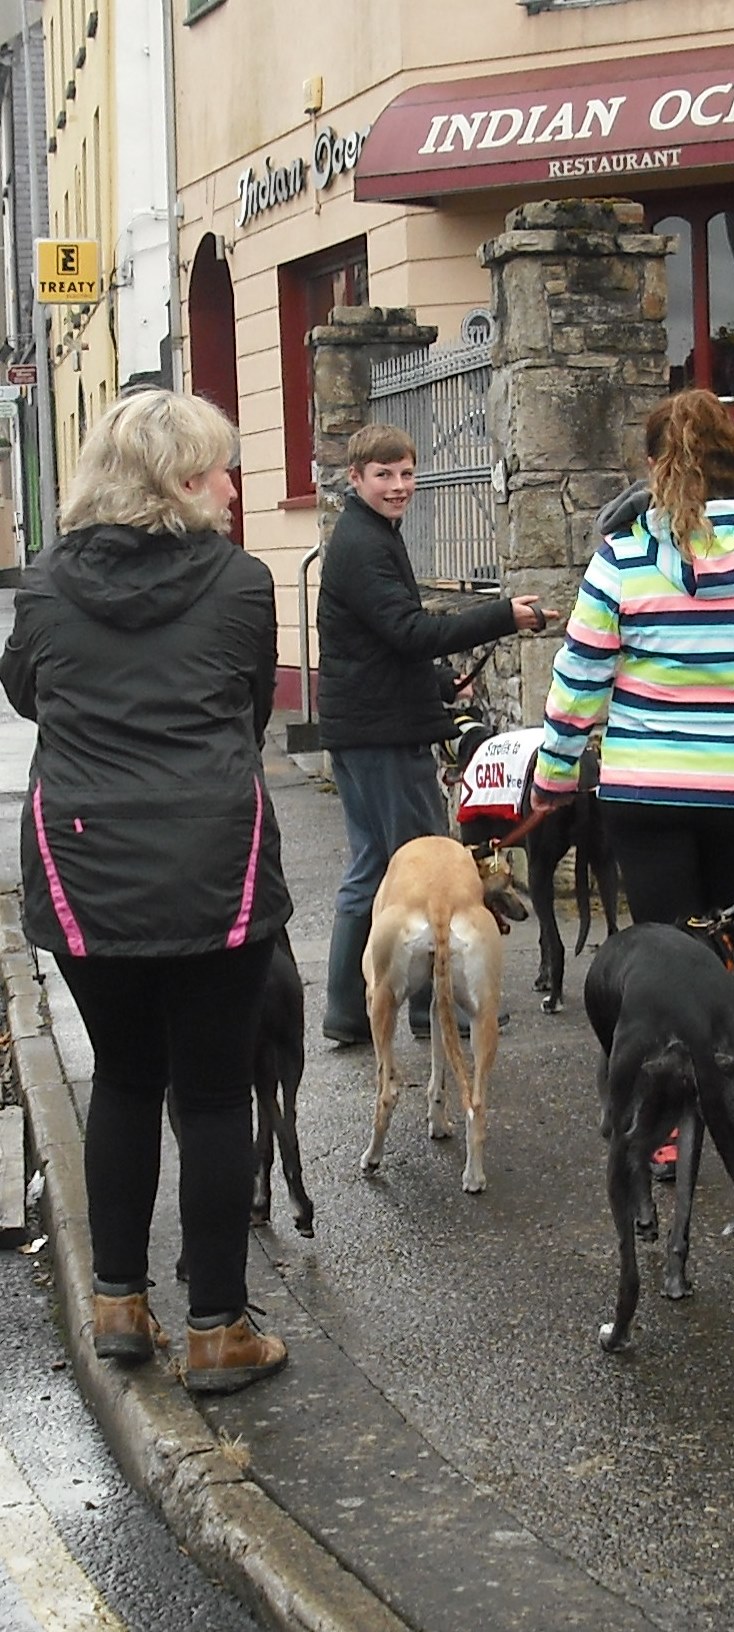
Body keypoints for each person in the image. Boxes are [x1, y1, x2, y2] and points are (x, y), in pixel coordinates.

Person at [0, 390, 295, 1393]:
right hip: (215, 858)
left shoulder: (42, 588)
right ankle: (218, 1327)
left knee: (124, 1080)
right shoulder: (243, 583)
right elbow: (251, 704)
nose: (231, 482)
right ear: (178, 481)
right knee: (213, 1095)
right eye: (218, 466)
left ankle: (118, 1305)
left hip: (85, 864)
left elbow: (26, 692)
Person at [531, 388, 734, 1167]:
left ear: (652, 466)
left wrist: (554, 777)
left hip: (647, 794)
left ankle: (671, 1130)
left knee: (670, 953)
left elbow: (578, 684)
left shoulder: (623, 559)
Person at [316, 423, 554, 1045]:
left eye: (406, 474)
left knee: (372, 868)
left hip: (367, 723)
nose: (399, 487)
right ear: (356, 479)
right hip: (379, 734)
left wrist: (441, 686)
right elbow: (409, 632)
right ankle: (426, 1010)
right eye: (384, 475)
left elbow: (384, 644)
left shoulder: (370, 535)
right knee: (422, 873)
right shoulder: (363, 544)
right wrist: (503, 614)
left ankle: (349, 1009)